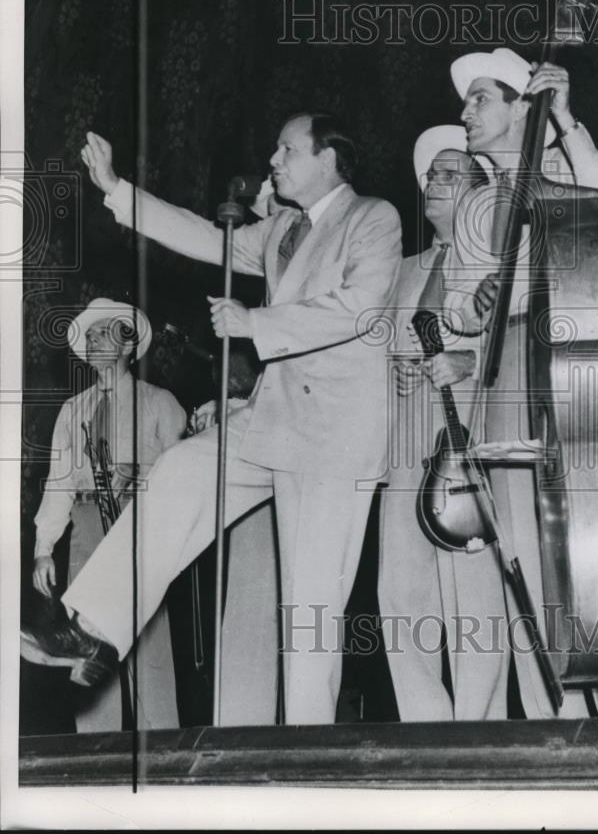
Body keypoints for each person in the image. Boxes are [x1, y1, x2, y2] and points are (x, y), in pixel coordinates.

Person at [22, 112, 402, 726]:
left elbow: (361, 308)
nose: (272, 160)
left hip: (334, 434)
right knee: (178, 473)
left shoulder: (373, 218)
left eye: (285, 149)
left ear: (328, 158)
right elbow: (203, 236)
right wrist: (117, 188)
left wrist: (257, 324)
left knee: (311, 601)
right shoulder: (282, 229)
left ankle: (308, 752)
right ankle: (87, 628)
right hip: (270, 421)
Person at [443, 46, 598, 718]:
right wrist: (476, 304)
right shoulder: (476, 202)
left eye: (479, 100)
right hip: (504, 379)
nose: (464, 112)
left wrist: (567, 123)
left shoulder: (563, 171)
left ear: (522, 107)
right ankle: (549, 729)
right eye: (465, 102)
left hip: (568, 372)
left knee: (588, 554)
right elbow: (455, 308)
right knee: (522, 553)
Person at [378, 125, 511, 721]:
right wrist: (399, 373)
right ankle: (424, 725)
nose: (433, 181)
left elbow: (523, 348)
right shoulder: (402, 270)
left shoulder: (501, 265)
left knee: (475, 585)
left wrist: (471, 360)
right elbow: (377, 350)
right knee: (401, 587)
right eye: (431, 174)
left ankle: (479, 725)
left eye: (450, 173)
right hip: (408, 438)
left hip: (472, 434)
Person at [30, 298, 185, 731]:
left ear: (127, 344)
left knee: (147, 643)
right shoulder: (72, 410)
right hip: (86, 528)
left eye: (104, 332)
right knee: (87, 639)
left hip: (141, 530)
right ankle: (97, 750)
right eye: (90, 335)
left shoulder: (159, 402)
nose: (94, 340)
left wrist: (141, 477)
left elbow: (185, 475)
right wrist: (44, 548)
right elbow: (58, 481)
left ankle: (162, 753)